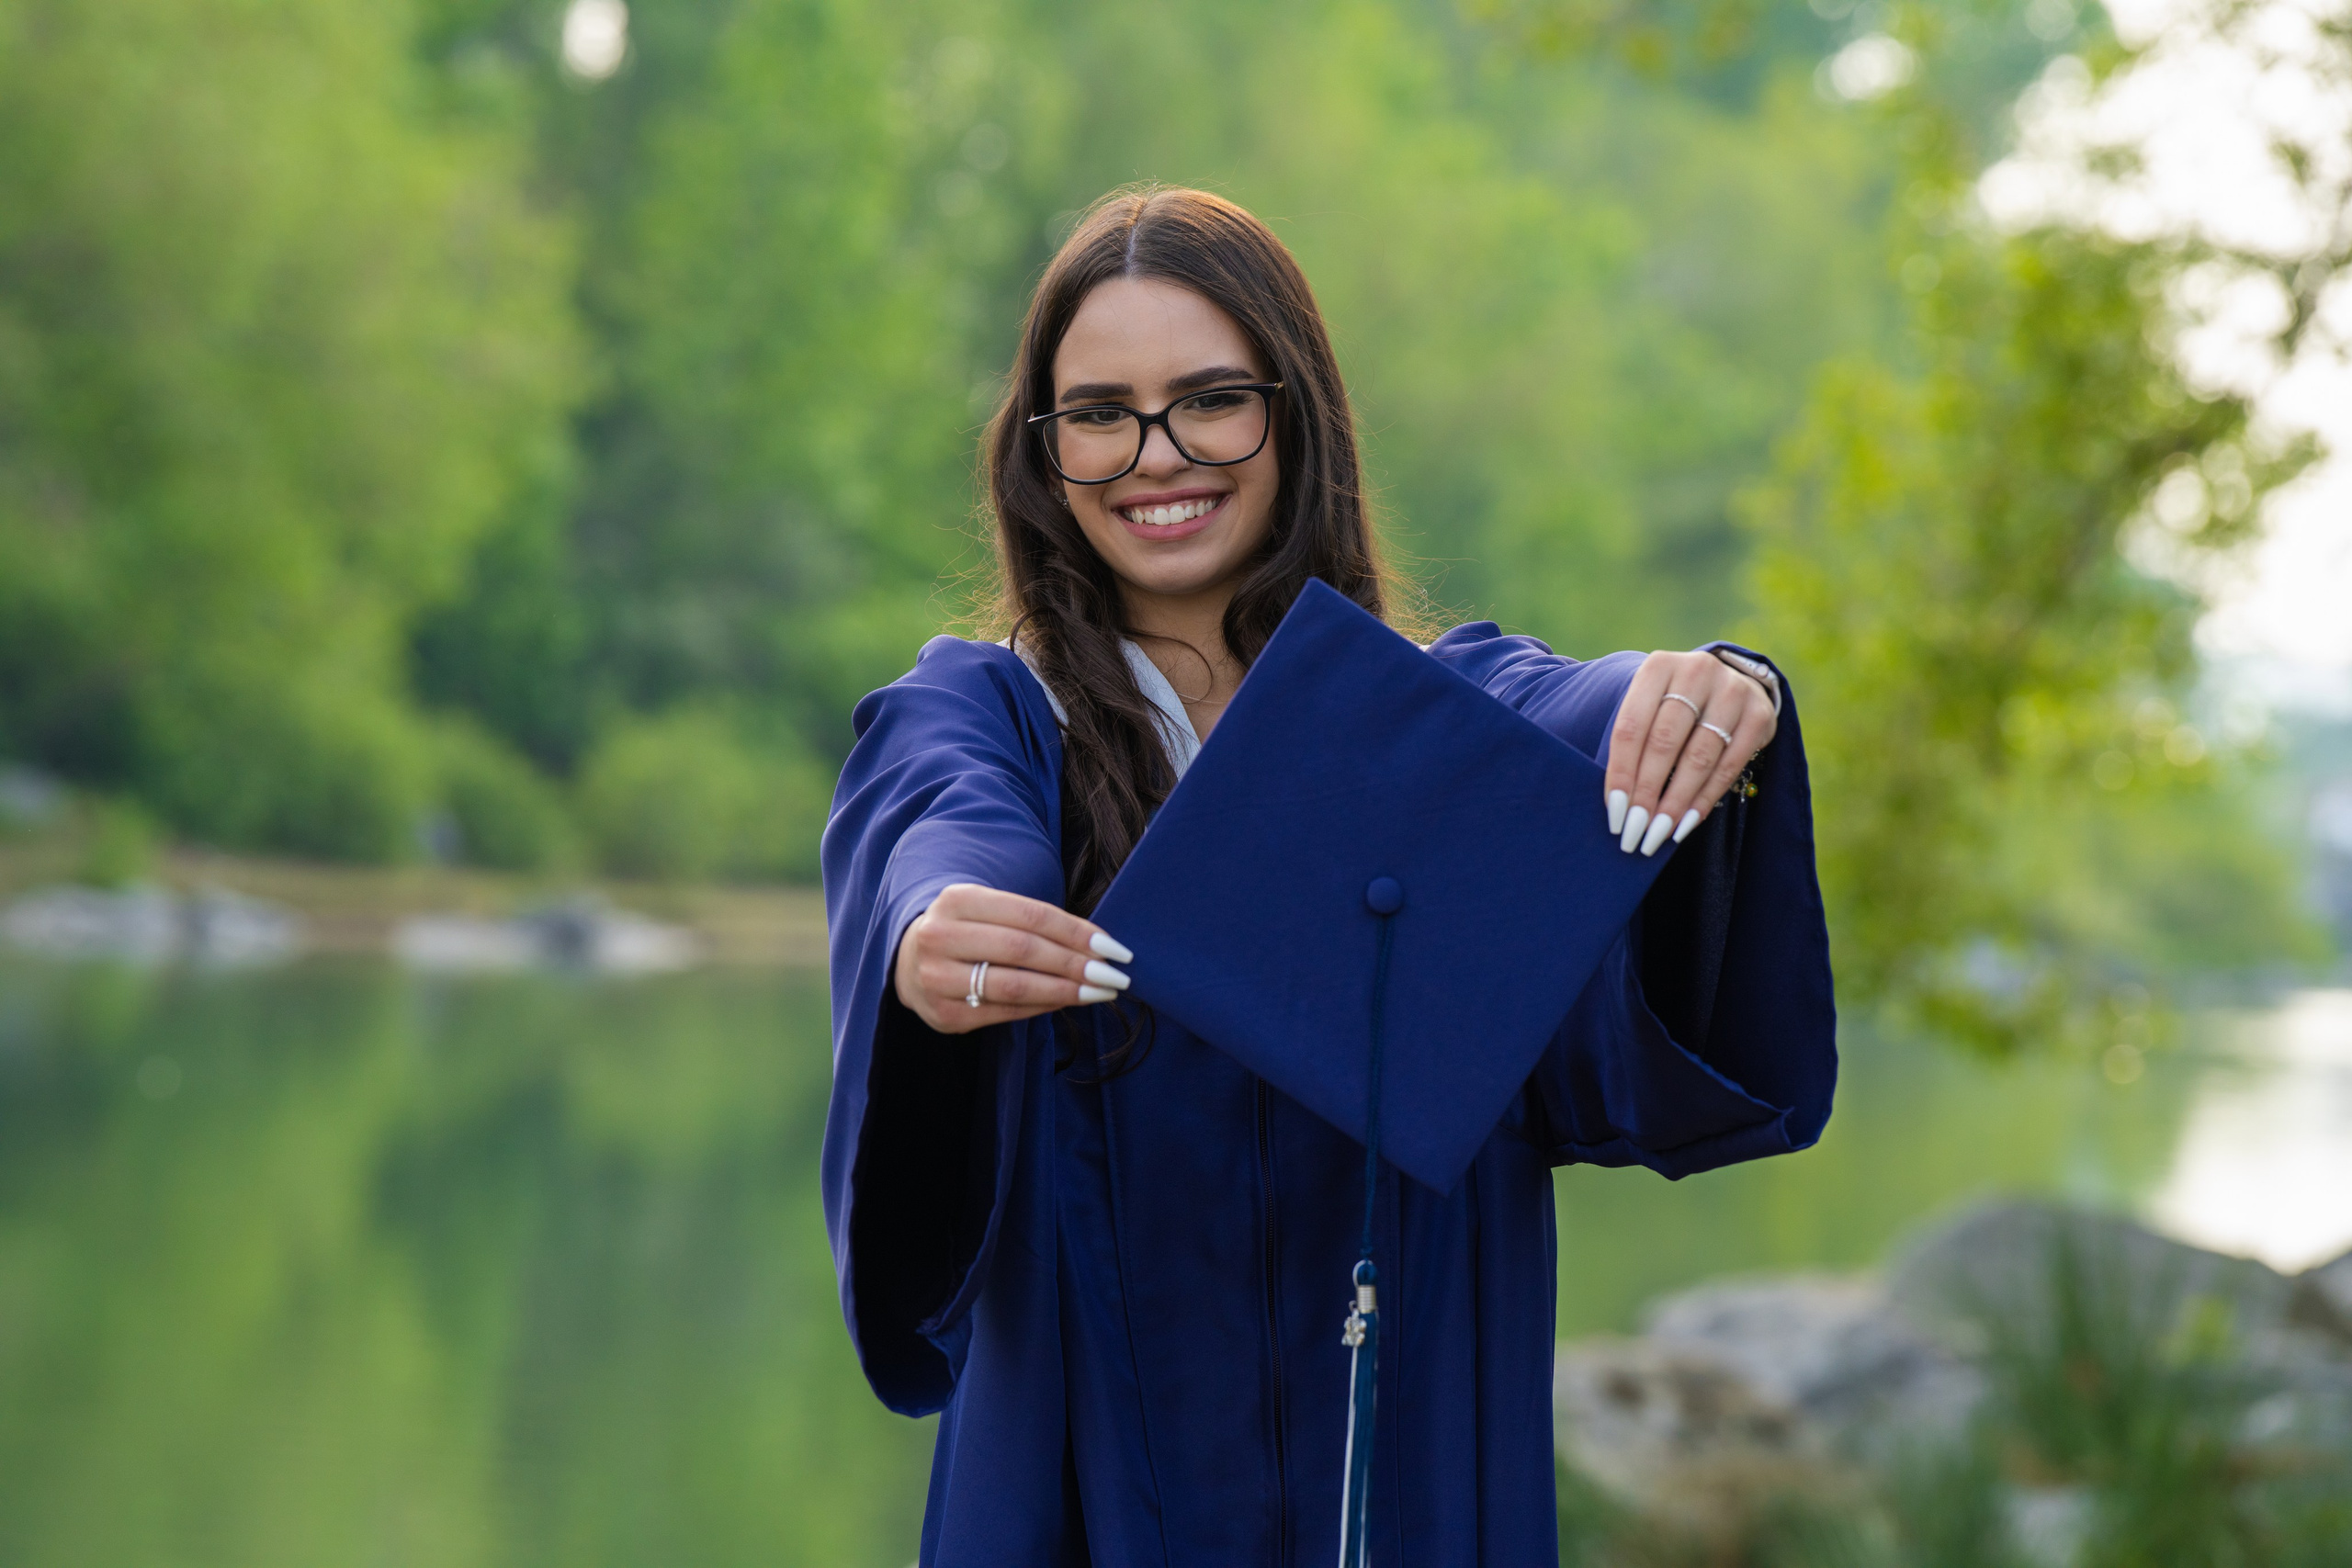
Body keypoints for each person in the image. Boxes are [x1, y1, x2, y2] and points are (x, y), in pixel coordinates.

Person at [821, 186, 1835, 1566]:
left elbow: (1583, 715)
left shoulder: (1433, 724)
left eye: (1211, 400)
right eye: (1100, 413)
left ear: (1296, 414)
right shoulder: (995, 718)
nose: (1154, 455)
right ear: (1041, 453)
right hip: (1091, 1474)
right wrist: (937, 928)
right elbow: (940, 828)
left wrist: (1718, 695)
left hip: (1406, 1454)